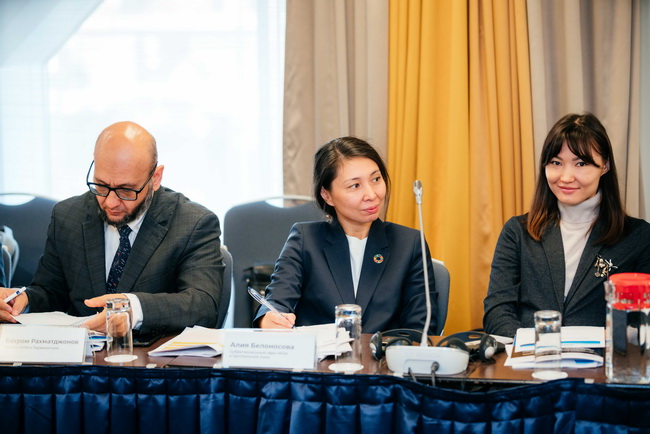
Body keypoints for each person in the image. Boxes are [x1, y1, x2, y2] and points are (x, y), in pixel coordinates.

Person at [0, 121, 224, 334]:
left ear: (155, 178)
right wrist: (23, 301)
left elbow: (203, 305)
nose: (110, 202)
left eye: (126, 190)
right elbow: (51, 292)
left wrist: (131, 309)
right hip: (83, 357)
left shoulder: (193, 223)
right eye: (101, 185)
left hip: (151, 356)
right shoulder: (68, 216)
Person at [483, 113, 650, 337]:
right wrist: (534, 348)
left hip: (603, 357)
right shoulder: (517, 231)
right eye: (556, 163)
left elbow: (641, 321)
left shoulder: (638, 237)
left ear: (605, 166)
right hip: (528, 356)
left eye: (581, 163)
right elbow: (497, 311)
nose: (566, 177)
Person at [253, 136, 438, 334]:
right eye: (355, 186)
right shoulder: (305, 239)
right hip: (320, 354)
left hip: (384, 354)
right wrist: (269, 318)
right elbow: (277, 301)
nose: (371, 195)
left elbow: (421, 327)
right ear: (327, 195)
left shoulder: (408, 244)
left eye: (376, 179)